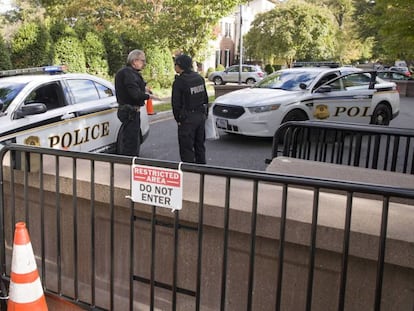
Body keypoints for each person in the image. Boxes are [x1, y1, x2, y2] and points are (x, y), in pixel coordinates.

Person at [115, 49, 156, 156]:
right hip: (130, 111)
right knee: (131, 143)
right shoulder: (129, 74)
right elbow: (135, 93)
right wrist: (150, 96)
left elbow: (133, 87)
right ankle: (130, 166)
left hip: (128, 111)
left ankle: (130, 163)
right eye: (142, 61)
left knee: (130, 140)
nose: (144, 64)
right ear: (135, 61)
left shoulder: (127, 72)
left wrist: (145, 88)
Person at [172, 54, 209, 164]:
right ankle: (202, 171)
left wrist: (178, 120)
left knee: (186, 149)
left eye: (176, 64)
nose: (175, 67)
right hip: (200, 116)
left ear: (180, 66)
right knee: (199, 146)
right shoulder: (199, 78)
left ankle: (189, 174)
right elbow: (205, 98)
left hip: (187, 119)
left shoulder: (180, 81)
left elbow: (176, 104)